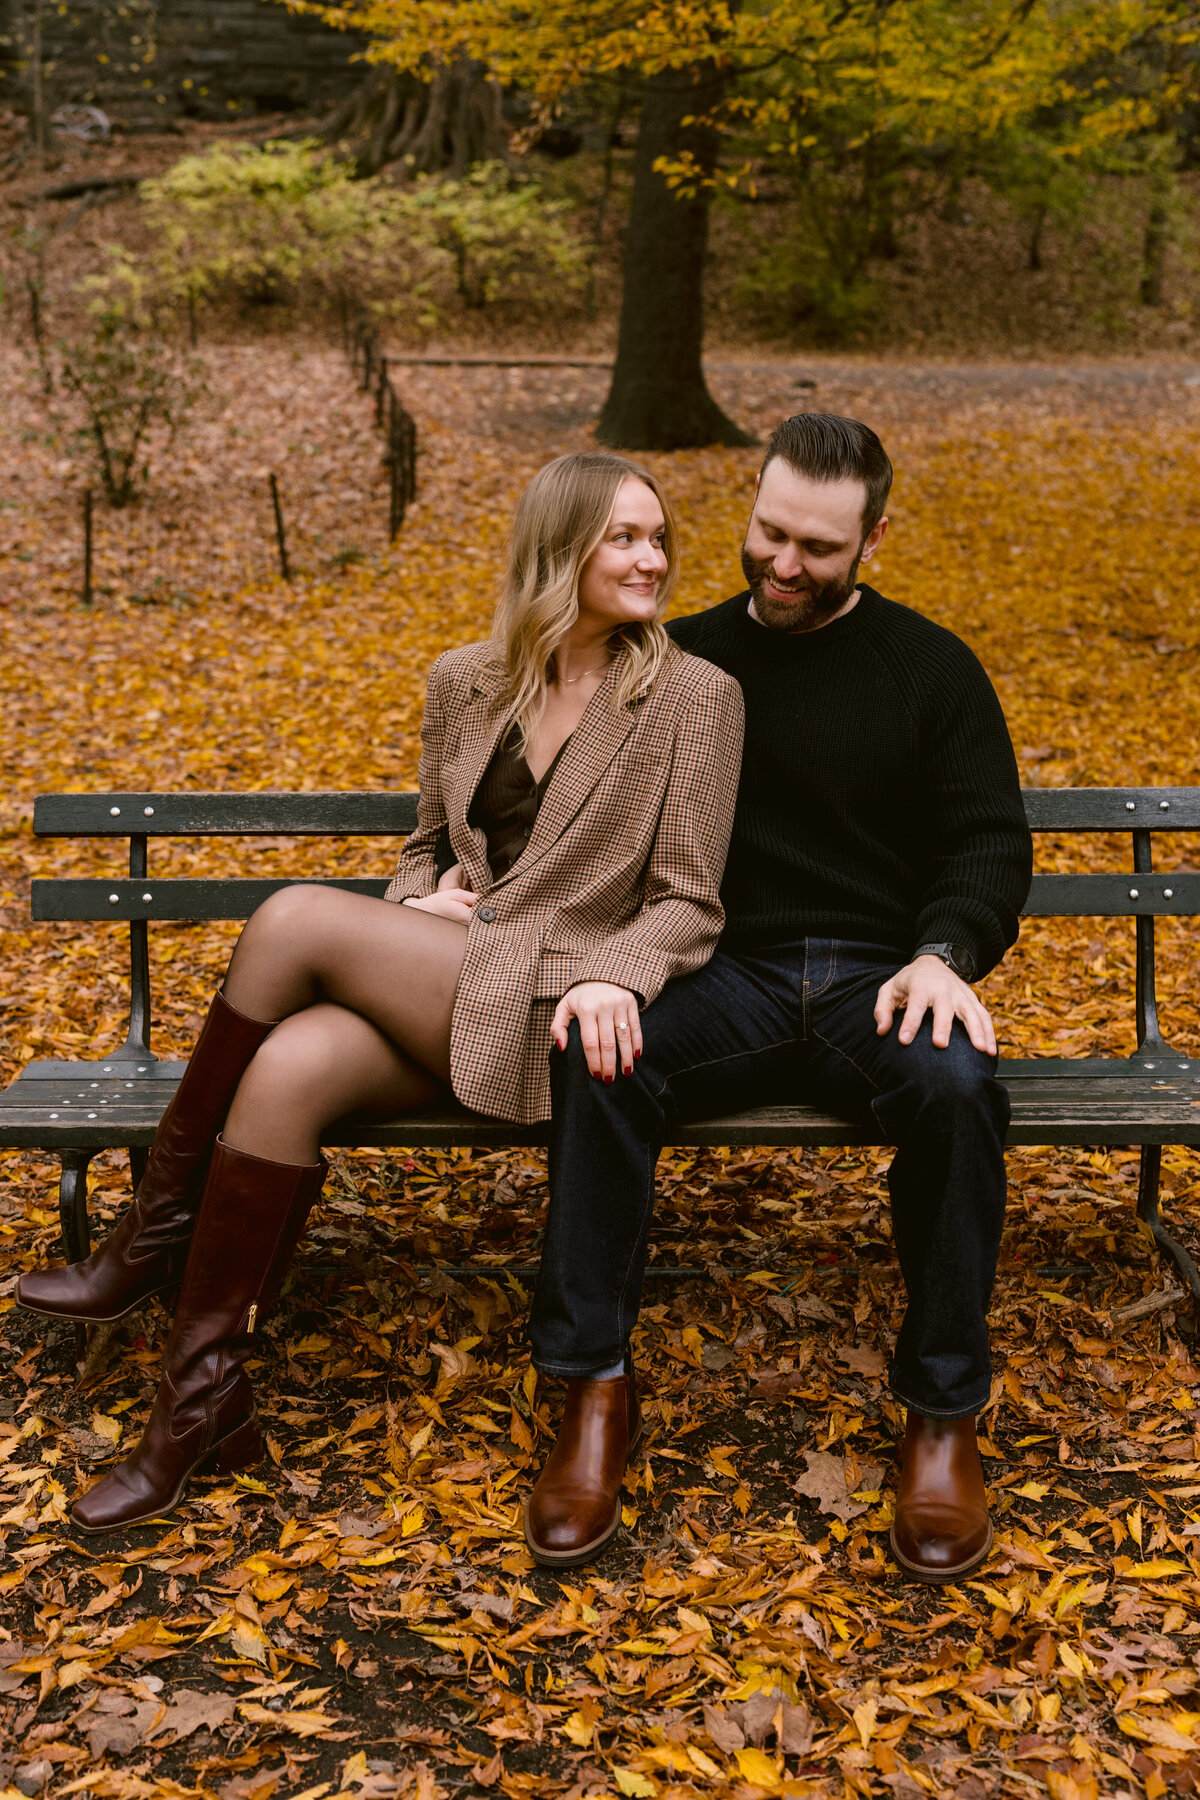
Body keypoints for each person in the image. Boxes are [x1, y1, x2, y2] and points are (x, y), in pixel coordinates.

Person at [18, 451, 744, 1536]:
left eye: (659, 538)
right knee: (288, 1067)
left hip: (555, 1000)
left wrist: (615, 975)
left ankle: (147, 1242)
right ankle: (198, 1403)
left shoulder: (695, 698)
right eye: (625, 538)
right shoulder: (468, 679)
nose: (654, 560)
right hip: (451, 982)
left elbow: (689, 900)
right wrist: (420, 904)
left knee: (294, 919)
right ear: (559, 550)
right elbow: (422, 848)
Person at [523, 414, 1032, 1584]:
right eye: (770, 531)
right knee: (598, 1054)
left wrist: (944, 953)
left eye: (819, 546)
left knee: (958, 1089)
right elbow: (580, 821)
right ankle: (592, 1391)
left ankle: (943, 1414)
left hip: (877, 981)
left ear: (875, 539)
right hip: (720, 973)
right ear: (751, 501)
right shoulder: (677, 661)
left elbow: (988, 842)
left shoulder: (931, 669)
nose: (785, 564)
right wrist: (585, 953)